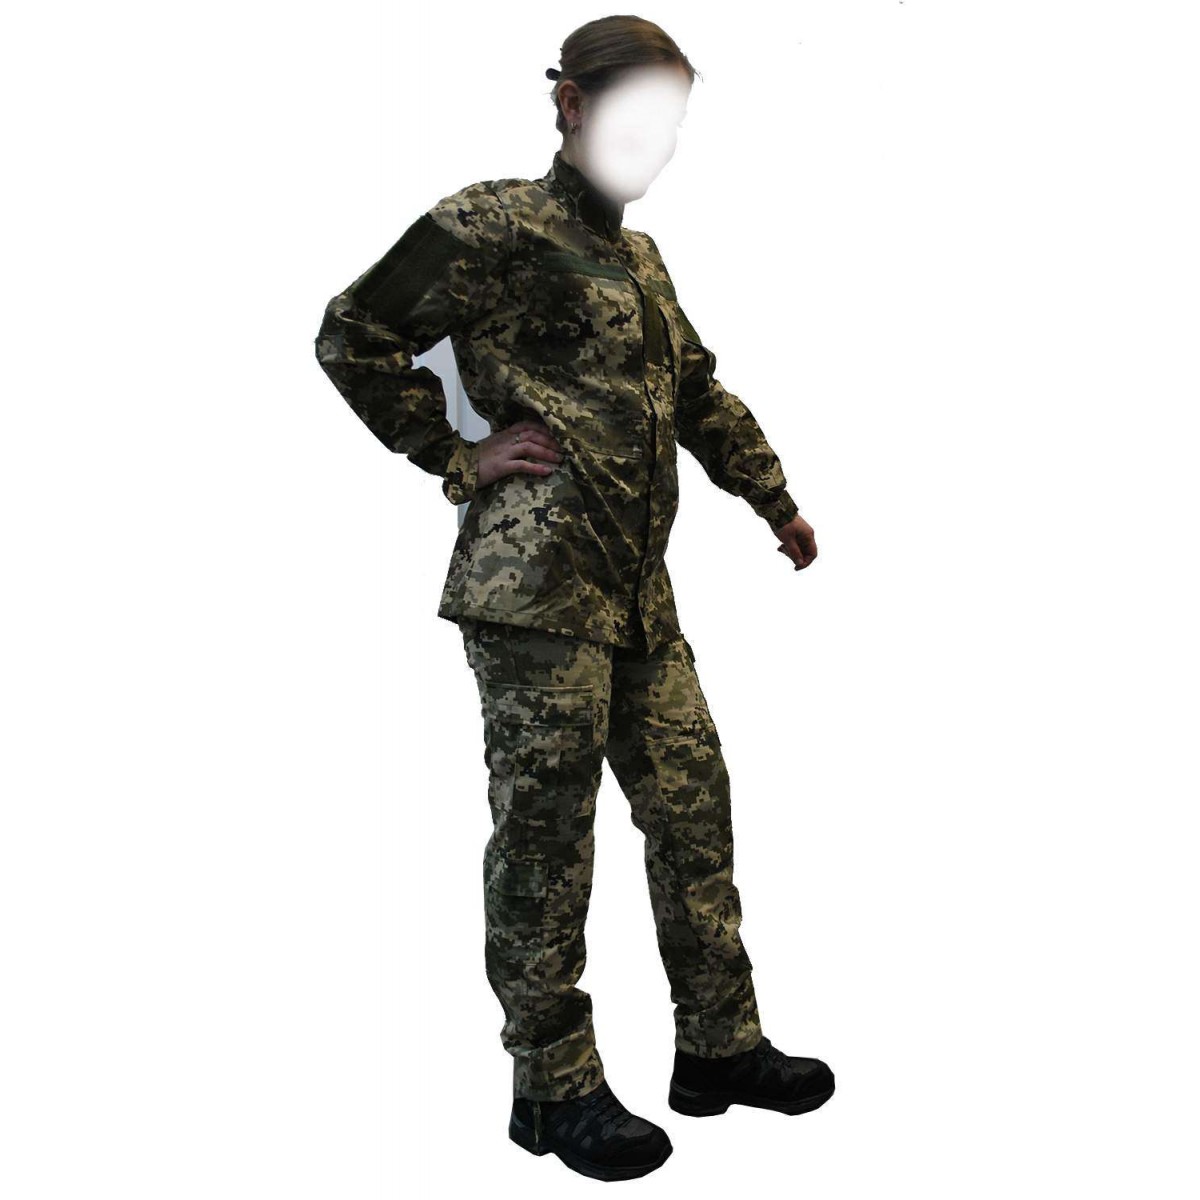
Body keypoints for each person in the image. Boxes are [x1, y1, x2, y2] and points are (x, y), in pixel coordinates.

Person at [314, 15, 833, 1183]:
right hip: (535, 589)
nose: (654, 142)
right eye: (634, 114)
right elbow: (354, 334)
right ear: (570, 105)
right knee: (549, 843)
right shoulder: (490, 223)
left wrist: (773, 498)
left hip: (639, 594)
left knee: (693, 812)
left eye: (672, 123)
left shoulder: (642, 262)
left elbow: (698, 394)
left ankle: (718, 1047)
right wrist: (456, 452)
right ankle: (552, 1089)